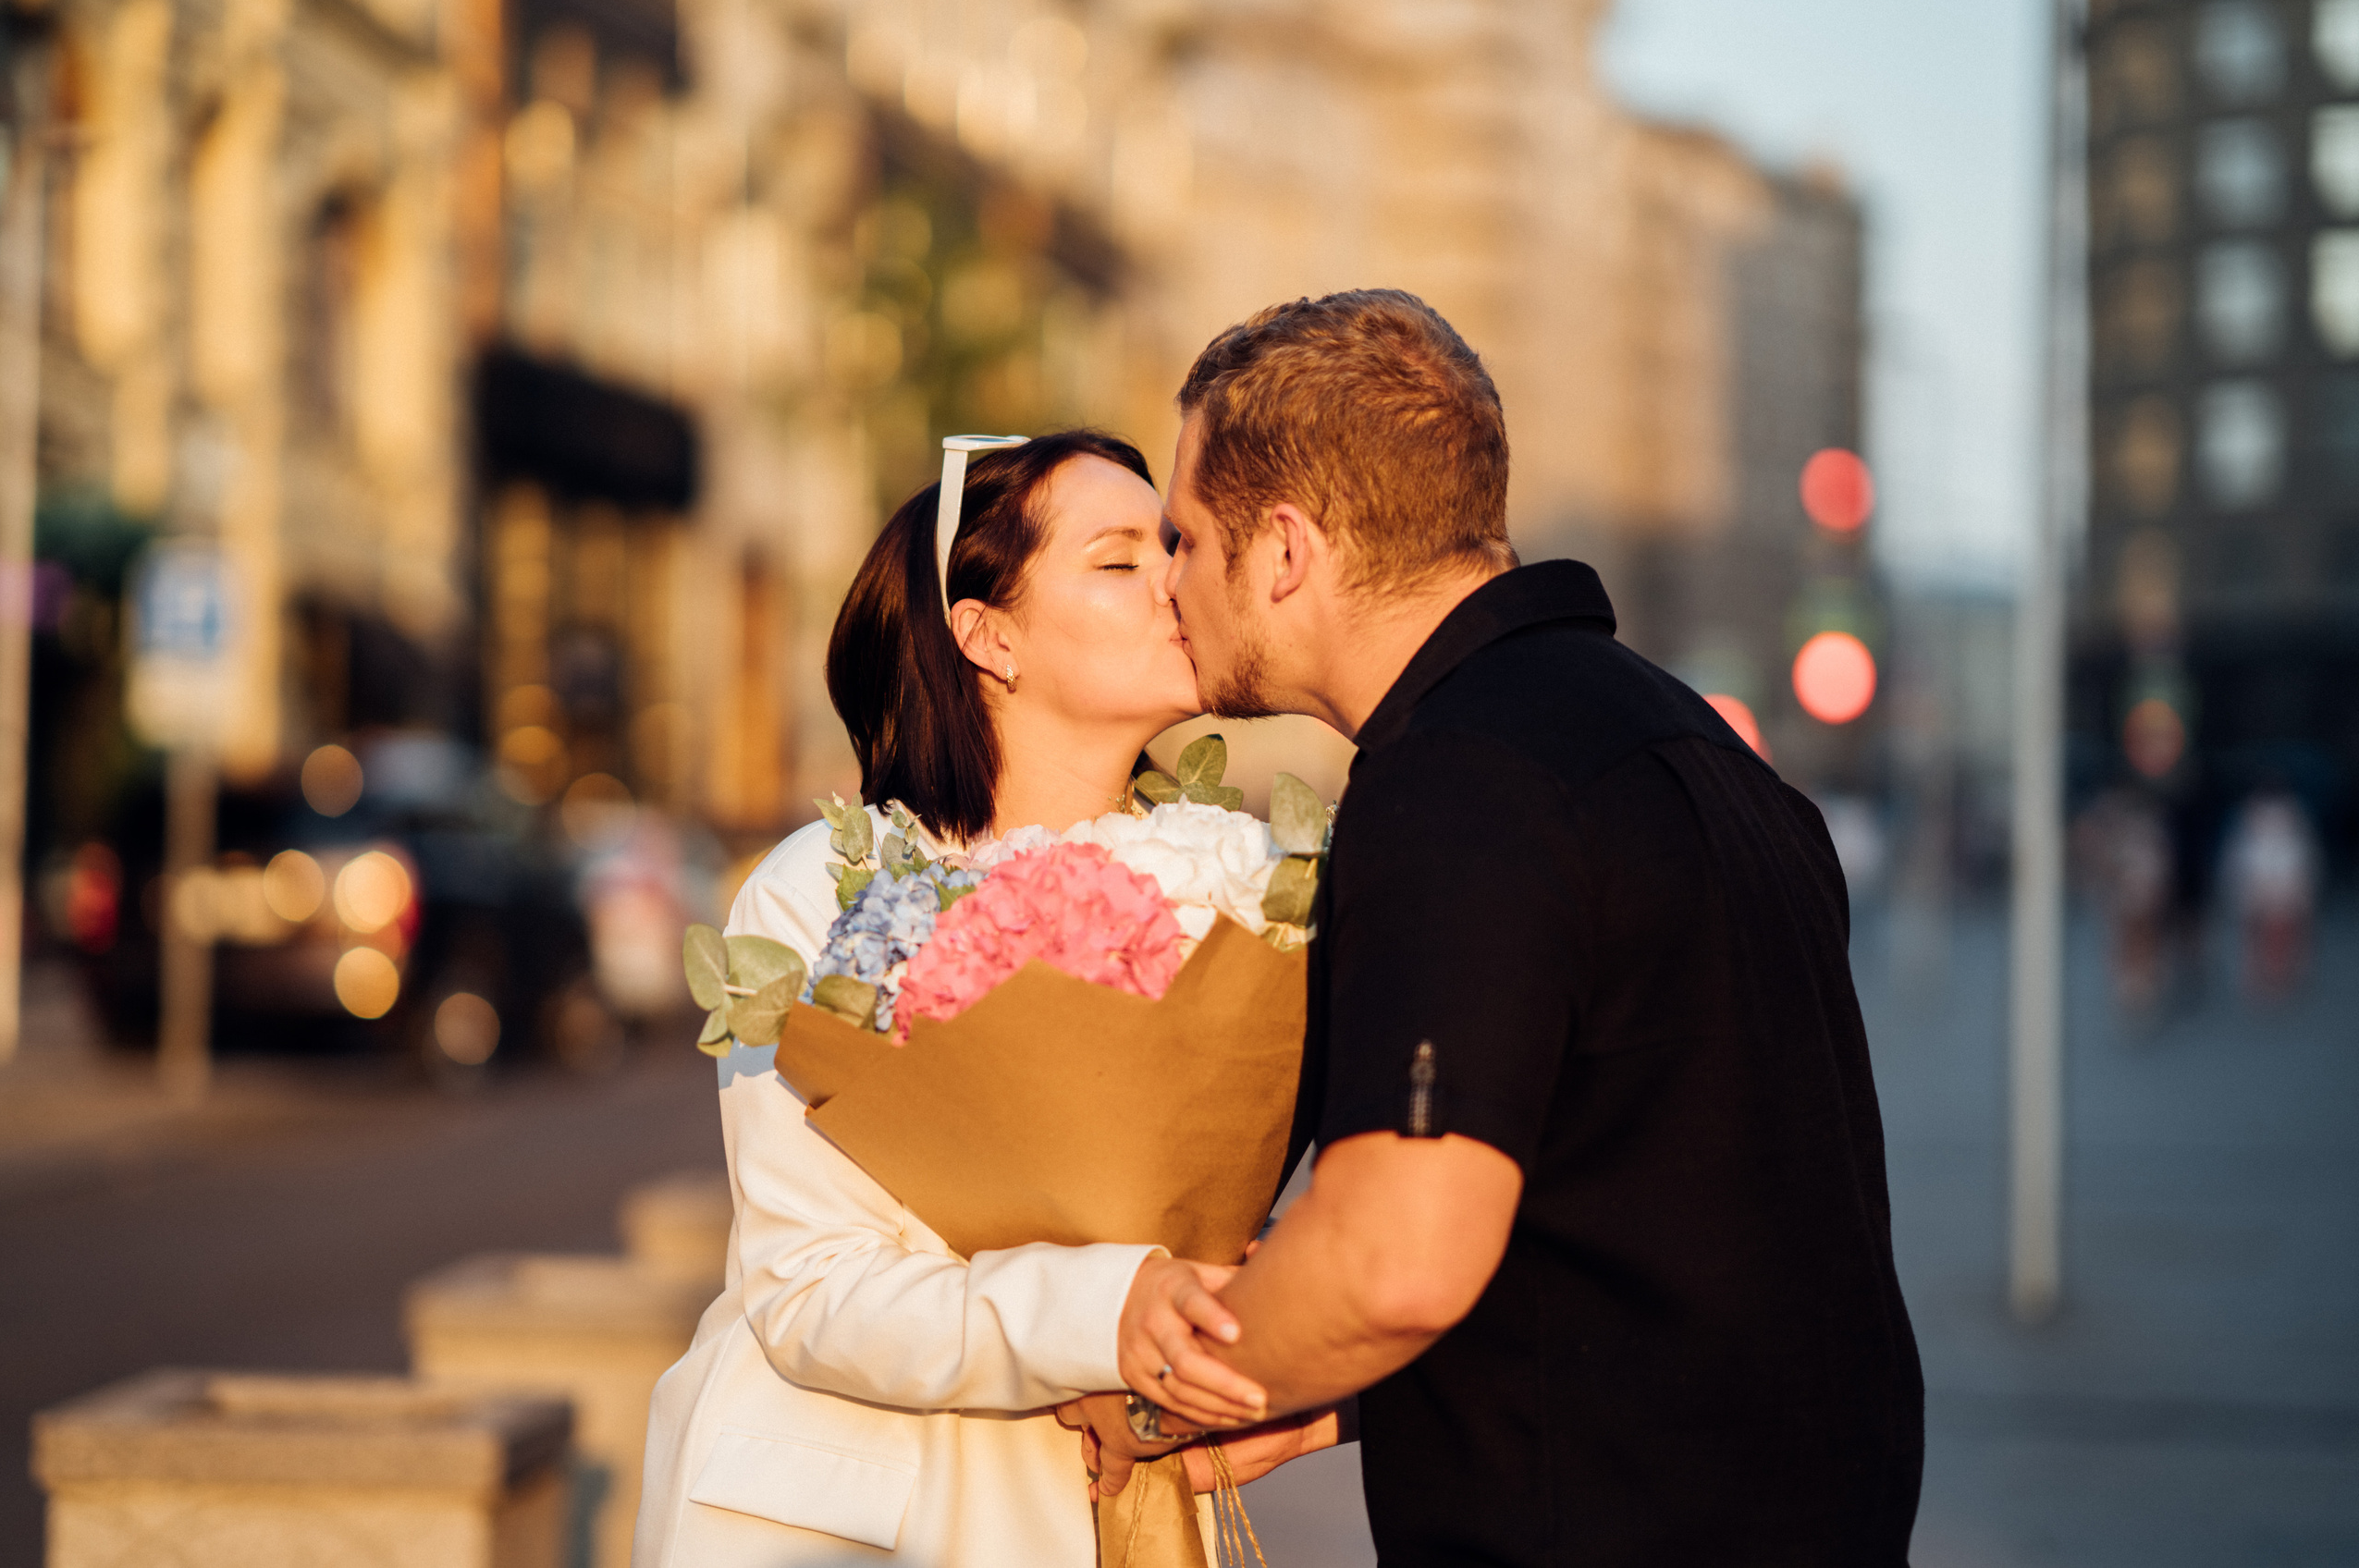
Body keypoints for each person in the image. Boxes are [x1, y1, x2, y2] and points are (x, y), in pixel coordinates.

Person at [1069, 290, 1924, 1564]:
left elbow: (1394, 1258)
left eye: (1187, 539)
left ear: (1287, 552)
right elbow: (1662, 1214)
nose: (1172, 583)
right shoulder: (1711, 760)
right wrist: (1348, 1388)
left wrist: (1149, 1392)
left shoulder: (1461, 779)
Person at [633, 430, 1298, 1567]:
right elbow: (812, 1291)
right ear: (988, 636)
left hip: (1122, 1503)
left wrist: (1240, 1325)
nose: (1176, 582)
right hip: (853, 1517)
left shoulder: (1237, 883)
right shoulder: (824, 896)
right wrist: (1111, 1309)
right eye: (1118, 559)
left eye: (1173, 546)